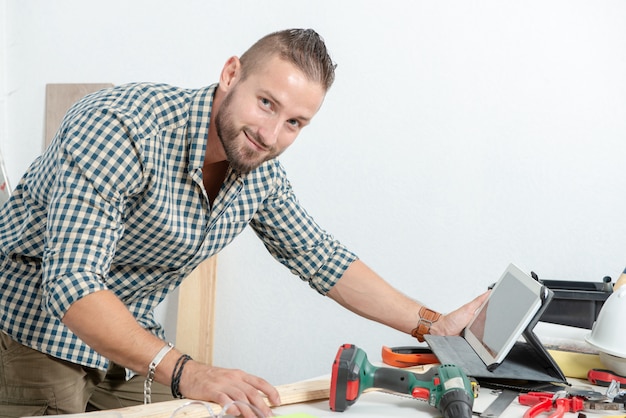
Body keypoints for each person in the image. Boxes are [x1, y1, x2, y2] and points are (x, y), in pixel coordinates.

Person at [0, 28, 488, 417]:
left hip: (125, 342)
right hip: (30, 335)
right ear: (231, 74)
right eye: (267, 103)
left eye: (295, 123)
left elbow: (320, 256)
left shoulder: (258, 172)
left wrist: (434, 325)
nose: (271, 135)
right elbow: (72, 283)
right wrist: (189, 371)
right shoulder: (120, 126)